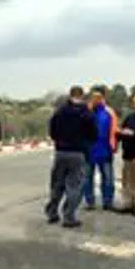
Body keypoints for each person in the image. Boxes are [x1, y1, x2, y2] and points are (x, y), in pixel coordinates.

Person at [45, 86, 98, 228]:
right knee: (74, 186)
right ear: (82, 96)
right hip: (78, 152)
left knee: (57, 184)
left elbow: (52, 130)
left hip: (61, 152)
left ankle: (52, 212)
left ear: (70, 95)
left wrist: (59, 140)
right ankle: (68, 216)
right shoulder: (86, 113)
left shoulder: (60, 111)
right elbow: (94, 134)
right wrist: (86, 143)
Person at [83, 90, 119, 210]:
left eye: (99, 98)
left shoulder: (109, 112)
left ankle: (108, 201)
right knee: (87, 179)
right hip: (89, 152)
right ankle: (90, 202)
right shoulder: (86, 112)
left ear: (103, 99)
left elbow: (114, 130)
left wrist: (113, 146)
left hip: (105, 150)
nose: (97, 100)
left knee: (108, 179)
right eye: (94, 98)